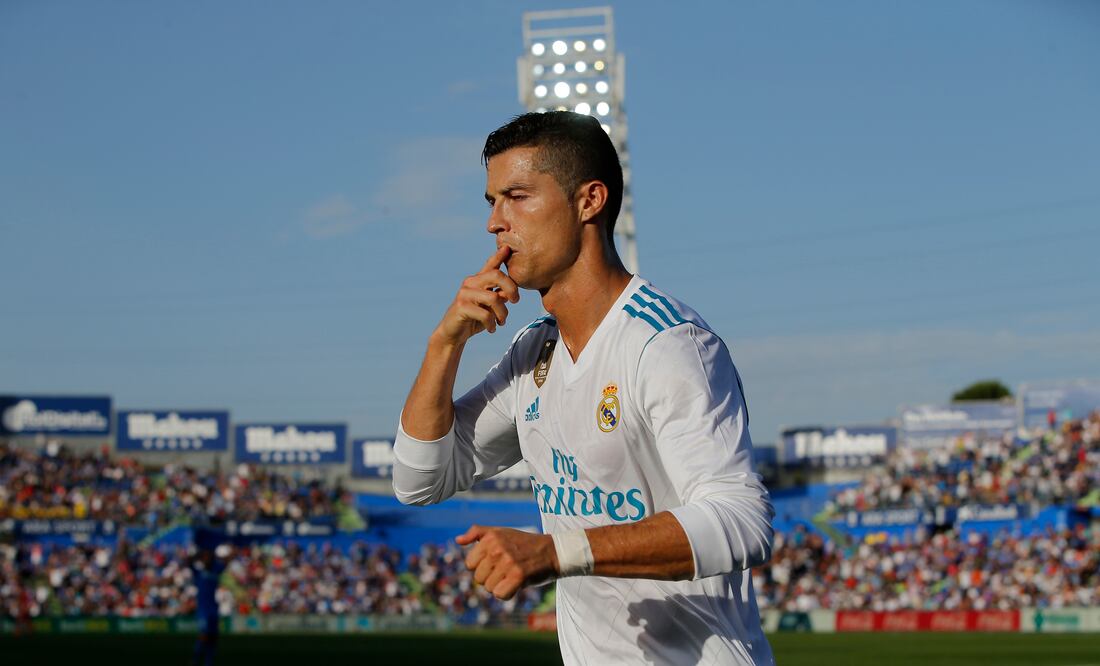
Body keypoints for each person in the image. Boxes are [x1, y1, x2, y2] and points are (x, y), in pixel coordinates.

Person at [393, 111, 775, 665]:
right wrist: (444, 344)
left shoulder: (667, 343)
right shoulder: (535, 354)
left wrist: (556, 552)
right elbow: (419, 479)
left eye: (517, 197)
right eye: (491, 201)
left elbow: (742, 522)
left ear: (588, 201)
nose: (495, 223)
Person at [189, 543, 229, 666]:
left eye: (208, 557)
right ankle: (195, 661)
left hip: (213, 608)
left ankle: (208, 662)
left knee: (213, 638)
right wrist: (197, 553)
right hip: (203, 609)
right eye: (204, 557)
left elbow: (226, 561)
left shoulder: (216, 569)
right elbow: (189, 561)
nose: (206, 559)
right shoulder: (198, 572)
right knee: (203, 635)